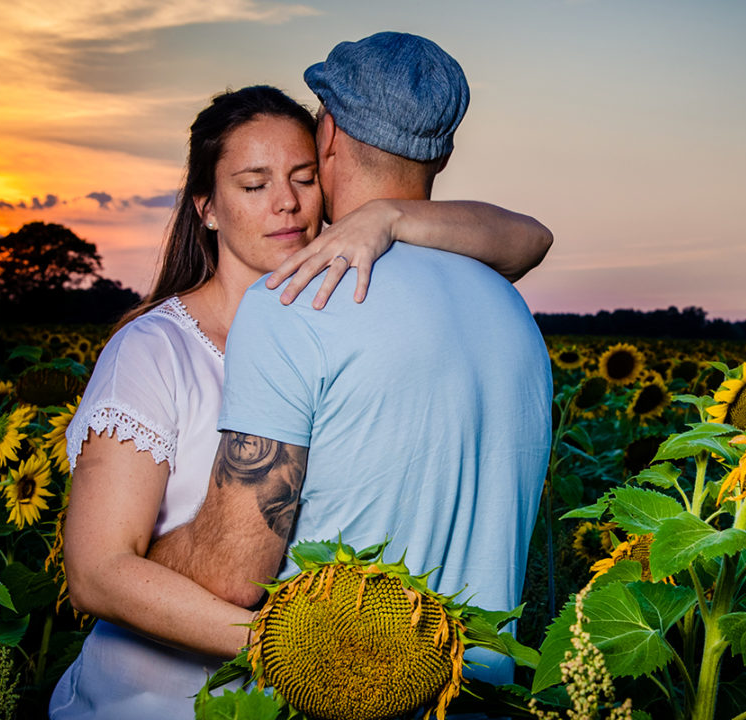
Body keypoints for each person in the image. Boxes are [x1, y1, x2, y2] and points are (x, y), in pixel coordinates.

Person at [49, 84, 551, 719]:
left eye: (304, 178)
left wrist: (389, 217)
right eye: (254, 185)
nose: (285, 203)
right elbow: (95, 574)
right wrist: (298, 648)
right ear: (206, 208)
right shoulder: (152, 352)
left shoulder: (340, 314)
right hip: (152, 698)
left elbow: (526, 237)